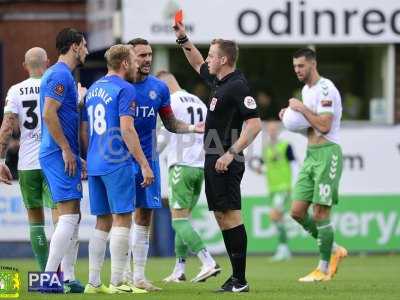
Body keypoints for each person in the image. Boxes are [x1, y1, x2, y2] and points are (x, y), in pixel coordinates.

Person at [173, 22, 262, 293]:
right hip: (212, 158)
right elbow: (196, 61)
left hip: (226, 159)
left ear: (223, 60)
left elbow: (255, 124)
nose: (208, 59)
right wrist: (183, 39)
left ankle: (240, 279)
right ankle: (236, 278)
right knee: (223, 217)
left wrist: (231, 153)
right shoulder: (219, 81)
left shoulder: (237, 86)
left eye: (212, 55)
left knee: (232, 216)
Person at [124, 38, 204, 291]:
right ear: (128, 58)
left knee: (149, 216)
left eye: (150, 55)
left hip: (161, 162)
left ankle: (138, 276)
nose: (147, 59)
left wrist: (189, 128)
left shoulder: (159, 90)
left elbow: (168, 126)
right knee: (122, 217)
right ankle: (123, 274)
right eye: (142, 55)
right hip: (125, 160)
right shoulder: (118, 86)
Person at [81, 44, 153, 294]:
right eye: (133, 60)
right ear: (124, 63)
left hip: (95, 162)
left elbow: (85, 129)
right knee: (123, 219)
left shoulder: (93, 89)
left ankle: (93, 282)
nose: (136, 65)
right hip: (116, 161)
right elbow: (127, 129)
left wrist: (88, 157)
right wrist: (144, 164)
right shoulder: (125, 89)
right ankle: (119, 282)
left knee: (102, 221)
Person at [279, 48, 347, 282]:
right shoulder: (306, 90)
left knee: (320, 213)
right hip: (311, 154)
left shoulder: (325, 88)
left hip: (329, 153)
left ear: (312, 64)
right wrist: (289, 119)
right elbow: (310, 127)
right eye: (295, 66)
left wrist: (301, 109)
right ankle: (335, 248)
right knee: (297, 212)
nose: (297, 70)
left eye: (301, 66)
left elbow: (325, 126)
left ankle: (324, 268)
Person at [156, 70, 220, 283]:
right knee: (183, 219)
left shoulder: (170, 102)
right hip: (200, 167)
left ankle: (208, 261)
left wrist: (148, 156)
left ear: (163, 87)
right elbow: (211, 135)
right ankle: (179, 269)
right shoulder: (199, 102)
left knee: (178, 221)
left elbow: (163, 138)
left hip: (181, 166)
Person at [0, 47, 60, 272]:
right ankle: (60, 273)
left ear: (25, 66)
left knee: (35, 220)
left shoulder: (16, 90)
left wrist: (1, 162)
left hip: (27, 164)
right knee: (61, 219)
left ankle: (45, 272)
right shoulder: (55, 85)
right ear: (48, 62)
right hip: (53, 161)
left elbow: (7, 127)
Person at [39, 28, 88, 292]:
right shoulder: (59, 74)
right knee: (68, 215)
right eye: (84, 45)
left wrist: (74, 154)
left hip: (60, 152)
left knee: (74, 215)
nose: (87, 50)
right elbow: (49, 114)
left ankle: (68, 278)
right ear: (74, 46)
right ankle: (49, 278)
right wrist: (66, 150)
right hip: (57, 152)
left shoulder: (63, 76)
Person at [257, 121, 297, 261]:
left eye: (274, 129)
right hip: (272, 188)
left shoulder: (285, 146)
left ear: (279, 131)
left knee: (274, 215)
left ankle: (283, 248)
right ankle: (284, 249)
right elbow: (263, 167)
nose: (272, 132)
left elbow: (294, 164)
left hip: (284, 187)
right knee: (278, 219)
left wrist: (294, 184)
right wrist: (260, 169)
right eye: (270, 130)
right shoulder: (266, 148)